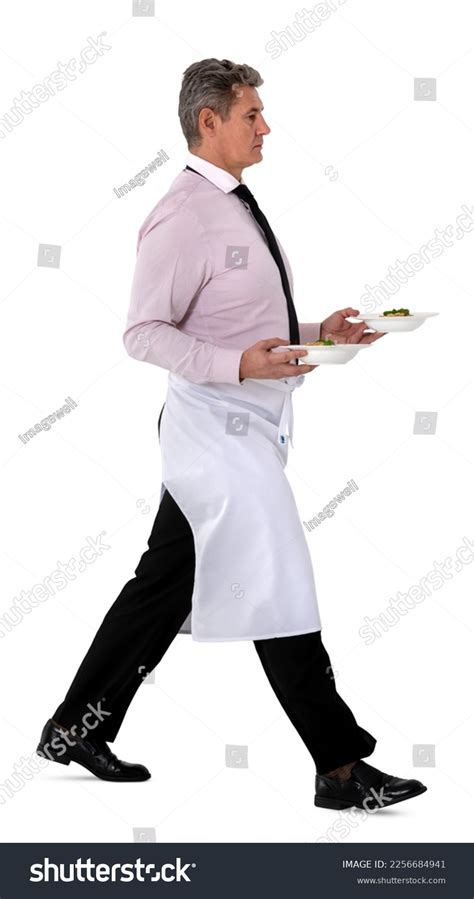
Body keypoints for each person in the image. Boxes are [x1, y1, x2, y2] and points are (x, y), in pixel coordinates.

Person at [36, 58, 427, 811]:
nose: (266, 126)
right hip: (211, 435)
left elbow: (243, 326)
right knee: (276, 575)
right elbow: (143, 333)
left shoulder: (232, 205)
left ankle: (72, 726)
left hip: (242, 427)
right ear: (208, 122)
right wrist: (235, 364)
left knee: (164, 584)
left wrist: (319, 334)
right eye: (251, 113)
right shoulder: (183, 213)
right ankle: (339, 767)